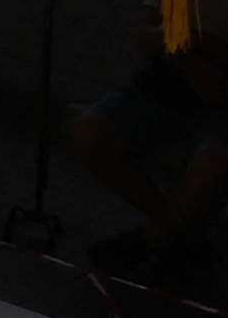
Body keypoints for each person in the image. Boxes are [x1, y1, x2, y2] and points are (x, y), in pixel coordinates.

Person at [77, 31, 228, 290]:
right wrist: (191, 60)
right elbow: (148, 37)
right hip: (161, 91)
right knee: (90, 132)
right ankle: (183, 236)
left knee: (212, 163)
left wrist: (189, 41)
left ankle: (147, 241)